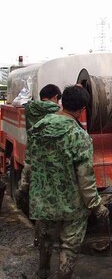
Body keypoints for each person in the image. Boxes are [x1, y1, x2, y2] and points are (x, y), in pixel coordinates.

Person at [27, 85, 109, 279]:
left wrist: (25, 189)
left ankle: (43, 273)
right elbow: (85, 178)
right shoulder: (79, 136)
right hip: (72, 205)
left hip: (42, 200)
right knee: (69, 246)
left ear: (61, 102)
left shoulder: (39, 128)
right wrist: (96, 206)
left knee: (45, 240)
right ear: (82, 110)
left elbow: (30, 164)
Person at [15, 84, 62, 215]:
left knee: (31, 181)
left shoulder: (30, 107)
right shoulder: (56, 110)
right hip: (51, 156)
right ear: (55, 97)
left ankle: (25, 196)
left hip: (33, 153)